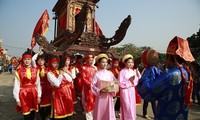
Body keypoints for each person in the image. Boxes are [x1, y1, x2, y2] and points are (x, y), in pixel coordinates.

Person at [137, 36, 195, 119]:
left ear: (171, 57)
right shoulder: (186, 71)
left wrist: (148, 70)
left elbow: (147, 91)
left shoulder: (170, 74)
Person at [13, 51, 42, 120]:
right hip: (24, 95)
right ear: (23, 60)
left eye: (28, 59)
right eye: (25, 59)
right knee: (26, 114)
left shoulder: (36, 70)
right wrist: (17, 99)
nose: (27, 61)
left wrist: (39, 96)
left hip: (33, 94)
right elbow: (16, 86)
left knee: (33, 113)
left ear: (30, 60)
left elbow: (38, 84)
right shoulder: (19, 72)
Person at [91, 53, 118, 120]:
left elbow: (115, 83)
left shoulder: (110, 73)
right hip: (100, 96)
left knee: (108, 112)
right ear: (99, 63)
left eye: (106, 62)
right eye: (103, 62)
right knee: (100, 112)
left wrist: (112, 88)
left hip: (108, 96)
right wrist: (99, 90)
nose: (105, 64)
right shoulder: (96, 74)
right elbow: (92, 85)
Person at [140, 49, 163, 119]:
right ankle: (145, 113)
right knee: (146, 102)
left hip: (154, 87)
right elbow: (143, 79)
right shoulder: (147, 70)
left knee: (154, 103)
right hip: (148, 88)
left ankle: (155, 115)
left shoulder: (155, 68)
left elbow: (160, 75)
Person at [118, 54, 140, 120]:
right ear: (125, 63)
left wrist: (132, 82)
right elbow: (120, 83)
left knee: (132, 106)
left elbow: (136, 80)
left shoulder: (133, 71)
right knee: (127, 106)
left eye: (132, 62)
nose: (130, 64)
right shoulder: (122, 72)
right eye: (129, 62)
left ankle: (132, 118)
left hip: (131, 90)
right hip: (125, 91)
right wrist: (129, 82)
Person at [32, 50, 51, 120]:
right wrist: (38, 52)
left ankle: (47, 115)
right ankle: (43, 117)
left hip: (47, 88)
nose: (40, 61)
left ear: (44, 61)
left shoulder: (48, 69)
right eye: (39, 60)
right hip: (39, 88)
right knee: (40, 104)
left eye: (42, 60)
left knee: (49, 104)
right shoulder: (35, 68)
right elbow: (32, 59)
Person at [80, 55, 96, 120]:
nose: (91, 61)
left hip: (94, 87)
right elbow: (84, 79)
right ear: (86, 60)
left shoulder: (94, 68)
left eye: (92, 60)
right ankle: (89, 117)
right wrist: (90, 85)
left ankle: (94, 116)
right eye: (90, 60)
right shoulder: (83, 68)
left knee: (94, 102)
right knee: (88, 101)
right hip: (87, 88)